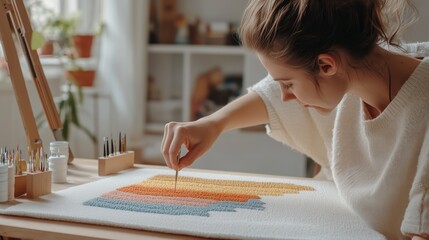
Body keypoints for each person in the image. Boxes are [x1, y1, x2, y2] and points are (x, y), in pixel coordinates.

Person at [161, 0, 428, 239]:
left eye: (287, 84)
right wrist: (212, 124)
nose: (285, 97)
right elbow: (269, 96)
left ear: (326, 66)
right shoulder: (359, 69)